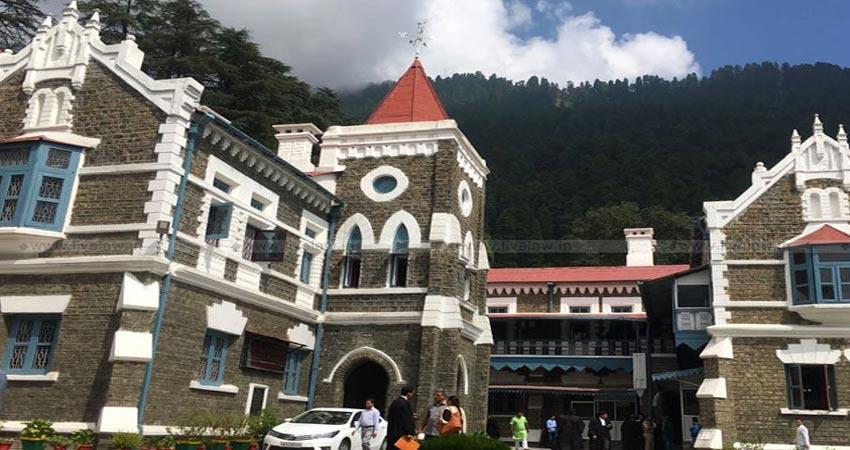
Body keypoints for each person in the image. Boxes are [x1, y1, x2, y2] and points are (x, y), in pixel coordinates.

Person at [387, 386, 416, 450]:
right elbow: (406, 419)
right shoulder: (405, 403)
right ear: (408, 393)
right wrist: (409, 432)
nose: (412, 395)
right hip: (401, 434)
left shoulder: (394, 402)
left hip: (392, 432)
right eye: (412, 393)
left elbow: (390, 416)